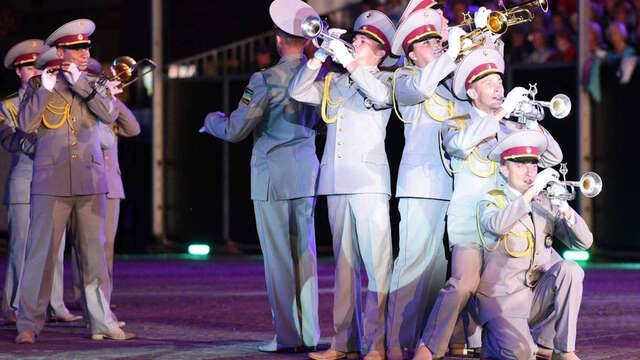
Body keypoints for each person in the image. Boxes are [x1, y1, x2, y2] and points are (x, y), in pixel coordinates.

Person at [414, 46, 563, 360]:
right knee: (463, 282)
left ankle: (548, 343)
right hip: (471, 226)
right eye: (489, 82)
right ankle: (429, 347)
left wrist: (532, 123)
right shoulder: (456, 124)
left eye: (500, 80)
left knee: (558, 271)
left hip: (509, 229)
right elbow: (460, 147)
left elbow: (554, 157)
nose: (499, 86)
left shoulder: (512, 128)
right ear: (471, 91)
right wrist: (499, 114)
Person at [199, 0, 320, 352]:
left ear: (280, 41)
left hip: (272, 177)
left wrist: (211, 121)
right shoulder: (320, 76)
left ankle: (287, 336)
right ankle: (310, 334)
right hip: (306, 173)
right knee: (305, 254)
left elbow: (237, 129)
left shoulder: (265, 79)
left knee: (279, 257)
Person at [15, 19, 134, 343]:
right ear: (62, 51)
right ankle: (28, 322)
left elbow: (111, 116)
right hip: (50, 183)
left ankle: (100, 321)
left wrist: (82, 82)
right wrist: (47, 91)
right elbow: (25, 124)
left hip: (90, 182)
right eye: (79, 48)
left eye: (87, 48)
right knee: (41, 257)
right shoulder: (41, 86)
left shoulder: (93, 83)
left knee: (94, 259)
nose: (86, 53)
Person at [289, 9, 396, 360]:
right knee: (344, 266)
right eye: (356, 39)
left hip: (368, 183)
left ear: (380, 53)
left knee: (378, 265)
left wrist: (351, 62)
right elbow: (299, 91)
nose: (355, 43)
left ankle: (377, 343)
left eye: (364, 42)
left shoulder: (385, 79)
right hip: (335, 182)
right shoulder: (336, 81)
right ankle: (342, 342)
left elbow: (380, 98)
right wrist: (319, 54)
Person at [385, 5, 467, 359]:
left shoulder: (447, 81)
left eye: (438, 39)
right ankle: (393, 342)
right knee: (411, 266)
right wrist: (449, 55)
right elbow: (420, 87)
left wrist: (477, 43)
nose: (436, 44)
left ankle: (428, 341)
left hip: (448, 186)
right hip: (418, 186)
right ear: (412, 49)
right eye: (428, 41)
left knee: (437, 272)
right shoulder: (404, 78)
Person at [475, 131, 593, 360]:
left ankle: (563, 350)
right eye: (520, 165)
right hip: (503, 303)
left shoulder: (544, 202)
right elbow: (496, 225)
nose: (529, 171)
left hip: (534, 299)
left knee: (571, 270)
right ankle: (493, 341)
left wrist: (566, 210)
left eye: (533, 165)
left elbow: (585, 243)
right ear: (503, 169)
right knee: (522, 354)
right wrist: (531, 192)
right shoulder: (490, 200)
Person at [1, 40, 81, 325]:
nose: (35, 72)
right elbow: (9, 139)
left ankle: (55, 305)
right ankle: (13, 305)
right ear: (17, 72)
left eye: (38, 66)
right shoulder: (8, 104)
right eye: (27, 68)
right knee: (22, 248)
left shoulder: (54, 95)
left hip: (51, 179)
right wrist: (40, 142)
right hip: (24, 182)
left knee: (55, 248)